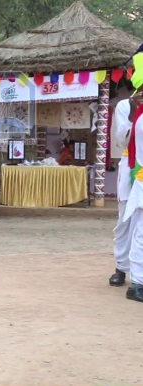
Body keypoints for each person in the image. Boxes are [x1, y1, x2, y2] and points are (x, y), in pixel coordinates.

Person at [109, 94, 142, 286]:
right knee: (125, 220)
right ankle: (121, 267)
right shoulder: (124, 105)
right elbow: (122, 140)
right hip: (131, 166)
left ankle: (139, 272)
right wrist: (133, 112)